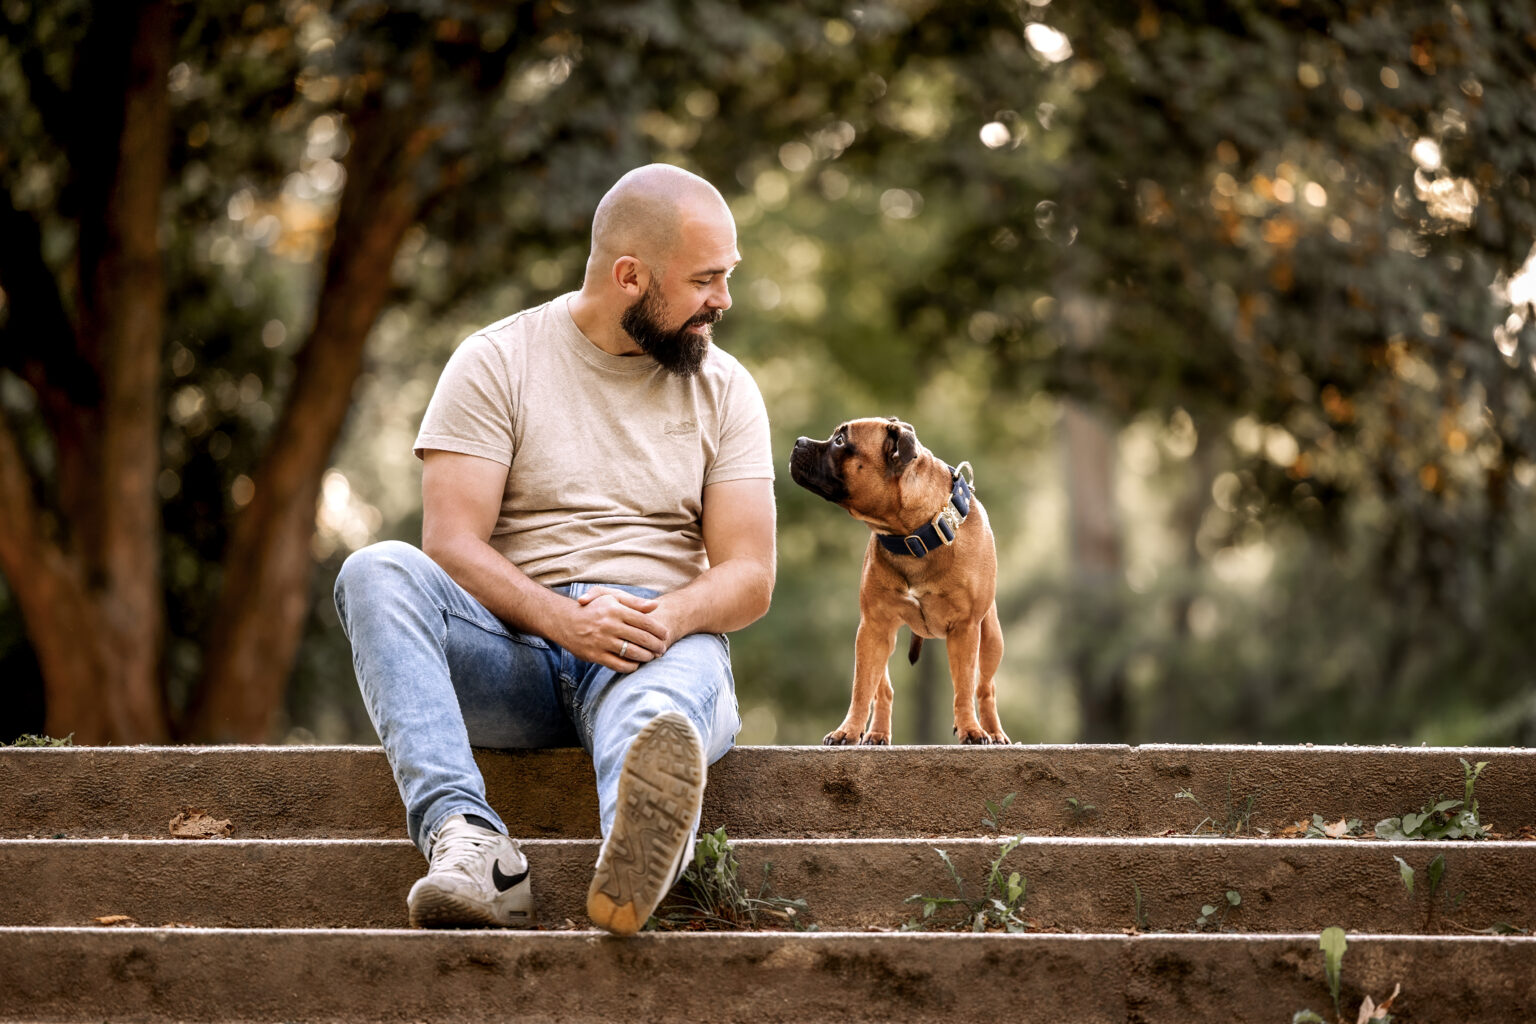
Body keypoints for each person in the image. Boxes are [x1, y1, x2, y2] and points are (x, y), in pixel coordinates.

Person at [333, 163, 776, 936]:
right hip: (515, 649)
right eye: (706, 280)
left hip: (653, 645)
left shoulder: (727, 388)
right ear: (631, 275)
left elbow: (749, 573)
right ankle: (470, 845)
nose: (723, 302)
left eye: (726, 277)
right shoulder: (497, 361)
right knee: (375, 571)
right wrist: (562, 621)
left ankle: (635, 851)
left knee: (656, 713)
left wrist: (660, 619)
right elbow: (451, 544)